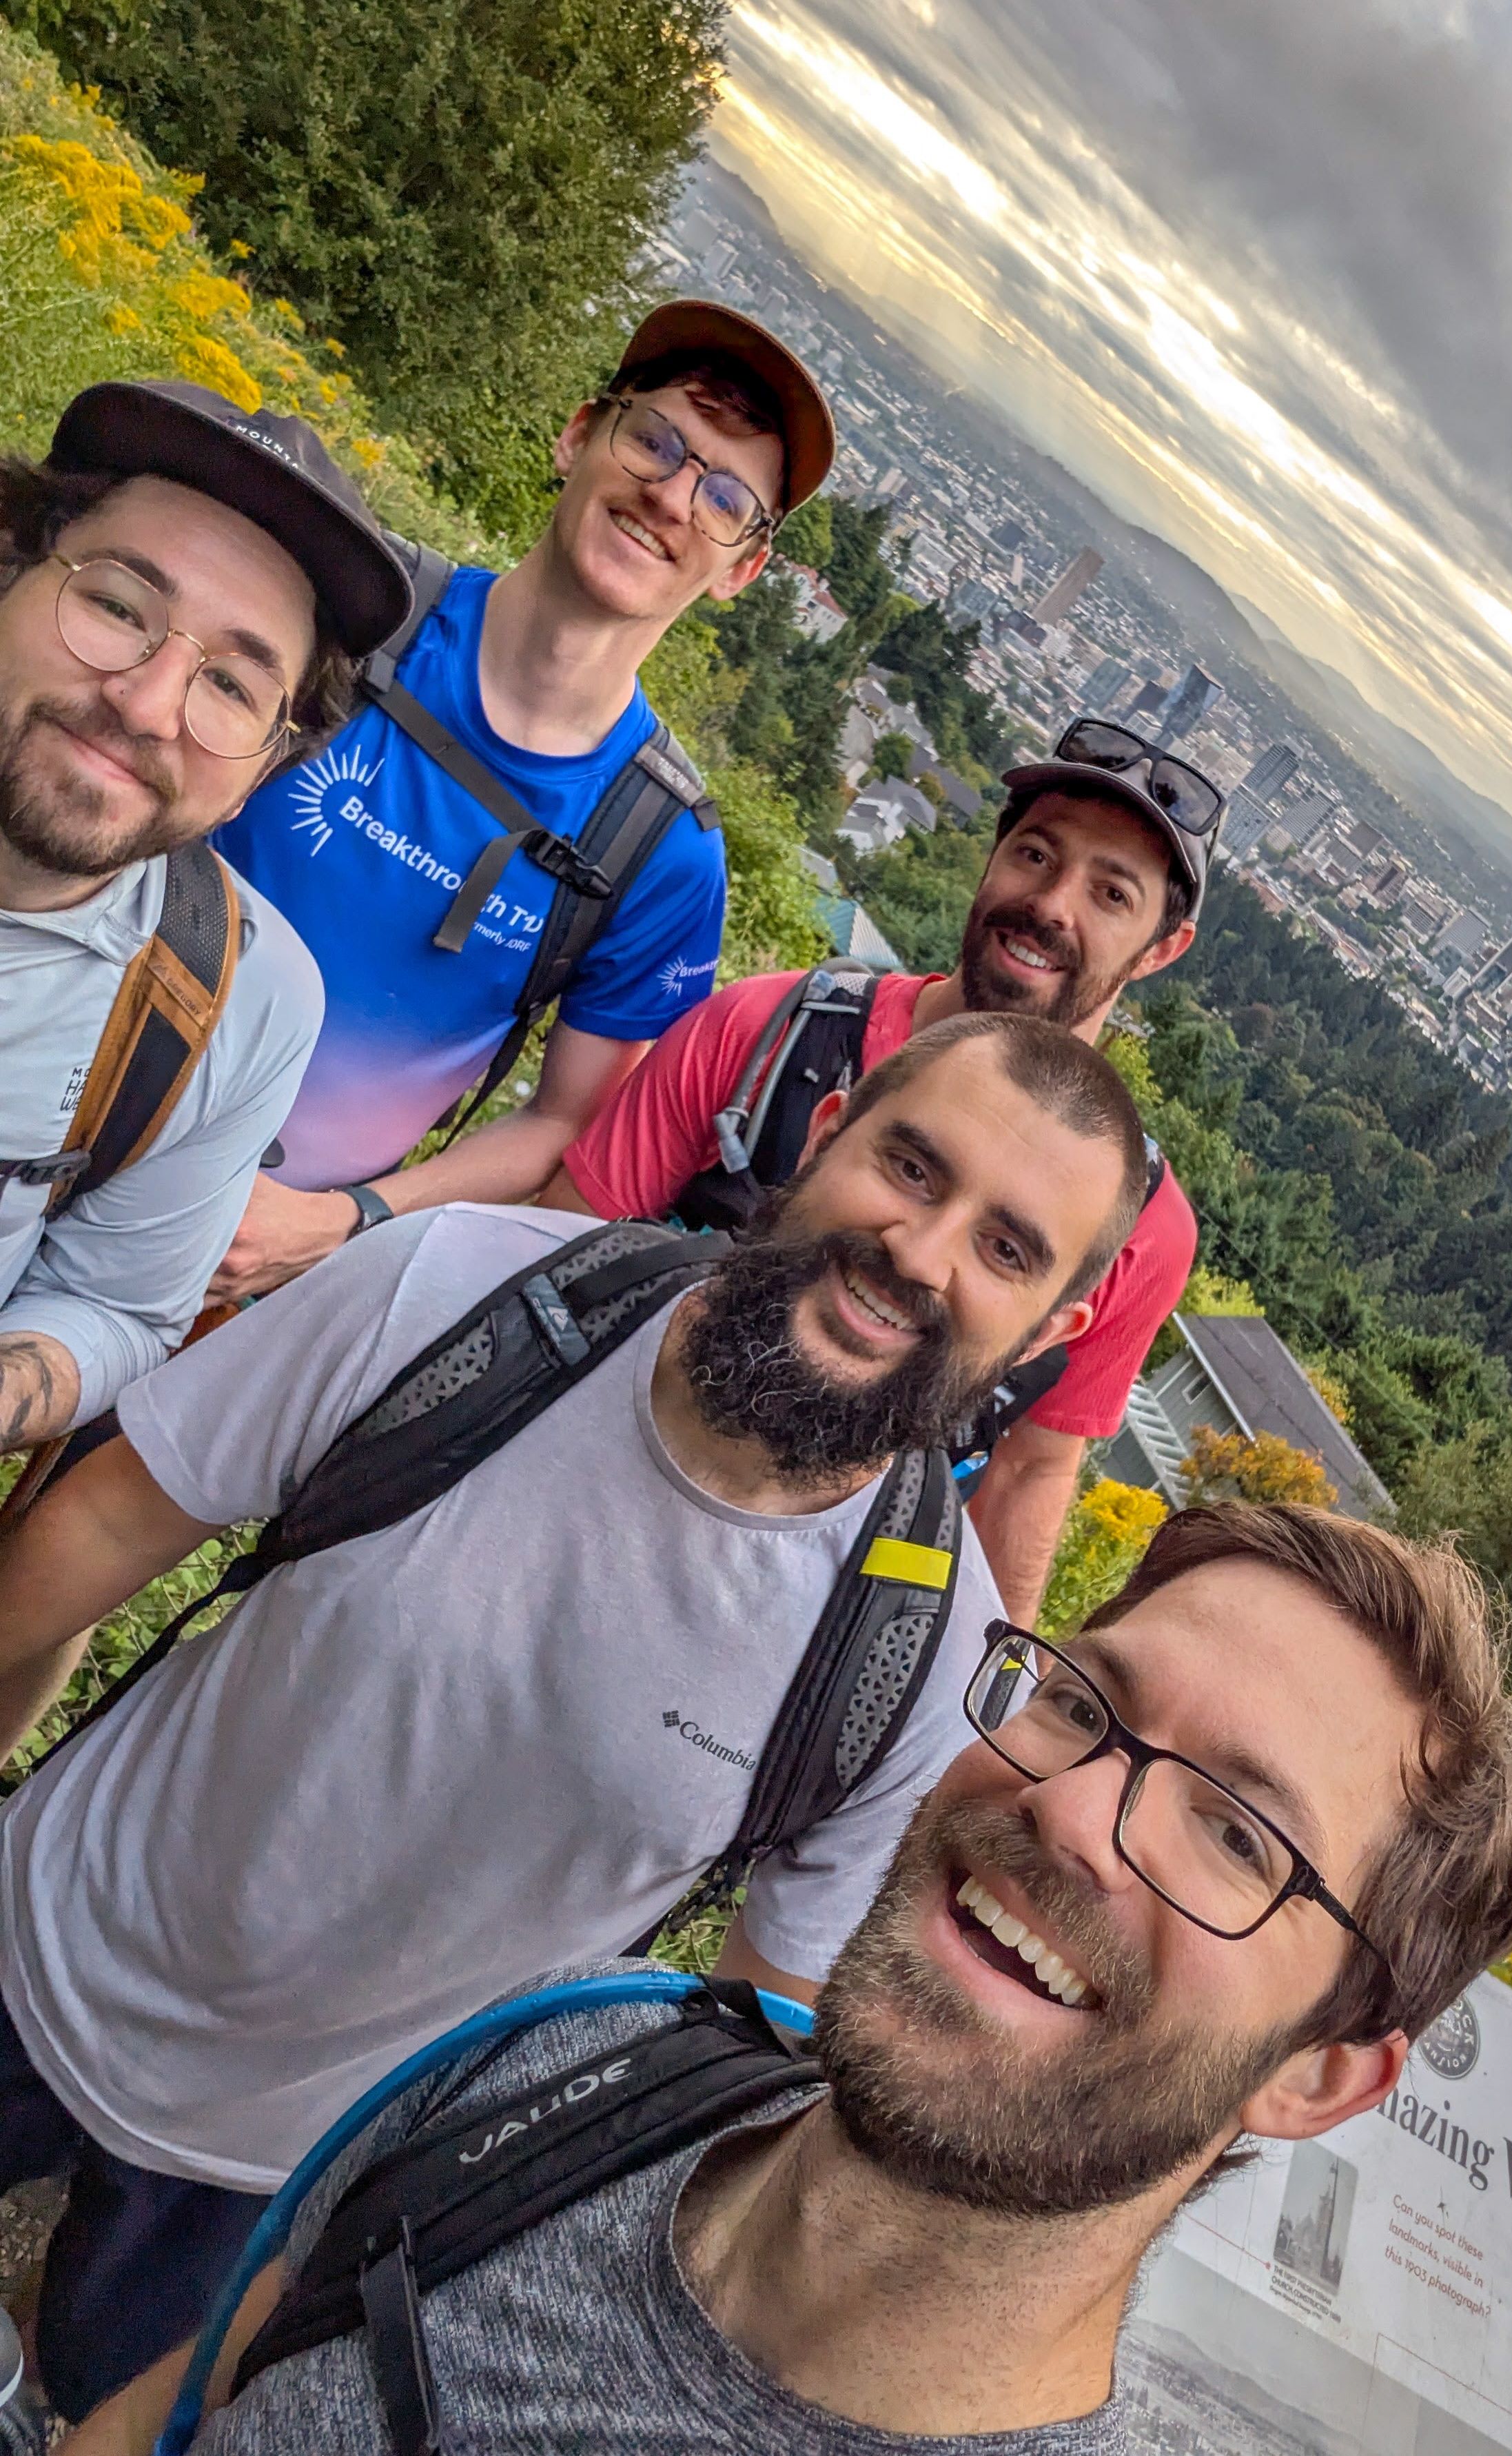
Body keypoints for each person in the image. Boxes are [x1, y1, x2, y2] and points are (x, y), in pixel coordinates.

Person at [0, 1011, 1149, 2422]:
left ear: (1060, 1325)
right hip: (42, 1933)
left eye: (1008, 1248)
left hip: (299, 2178)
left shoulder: (915, 1661)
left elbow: (758, 2033)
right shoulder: (466, 1289)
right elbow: (115, 1518)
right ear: (833, 1121)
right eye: (912, 1167)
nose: (922, 1253)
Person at [74, 1500, 1512, 2454]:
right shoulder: (568, 2062)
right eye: (1081, 1703)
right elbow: (174, 2413)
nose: (1074, 1808)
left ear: (1320, 2073)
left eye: (1236, 1837)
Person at [206, 301, 837, 1301]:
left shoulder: (664, 853)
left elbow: (568, 1121)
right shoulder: (360, 602)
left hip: (256, 1259)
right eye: (655, 440)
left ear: (744, 568)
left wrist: (344, 1224)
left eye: (725, 497)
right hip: (62, 1071)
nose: (673, 496)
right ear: (581, 434)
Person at [546, 717, 1224, 1619]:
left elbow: (1031, 1469)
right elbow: (566, 1244)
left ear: (1161, 948)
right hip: (593, 1483)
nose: (1054, 905)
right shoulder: (767, 1034)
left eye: (1111, 894)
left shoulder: (1139, 1230)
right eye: (1035, 856)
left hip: (797, 1618)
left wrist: (972, 1718)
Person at [0, 380, 406, 1457]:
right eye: (119, 607)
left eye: (227, 685)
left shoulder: (236, 998)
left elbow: (122, 1306)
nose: (146, 705)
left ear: (262, 771)